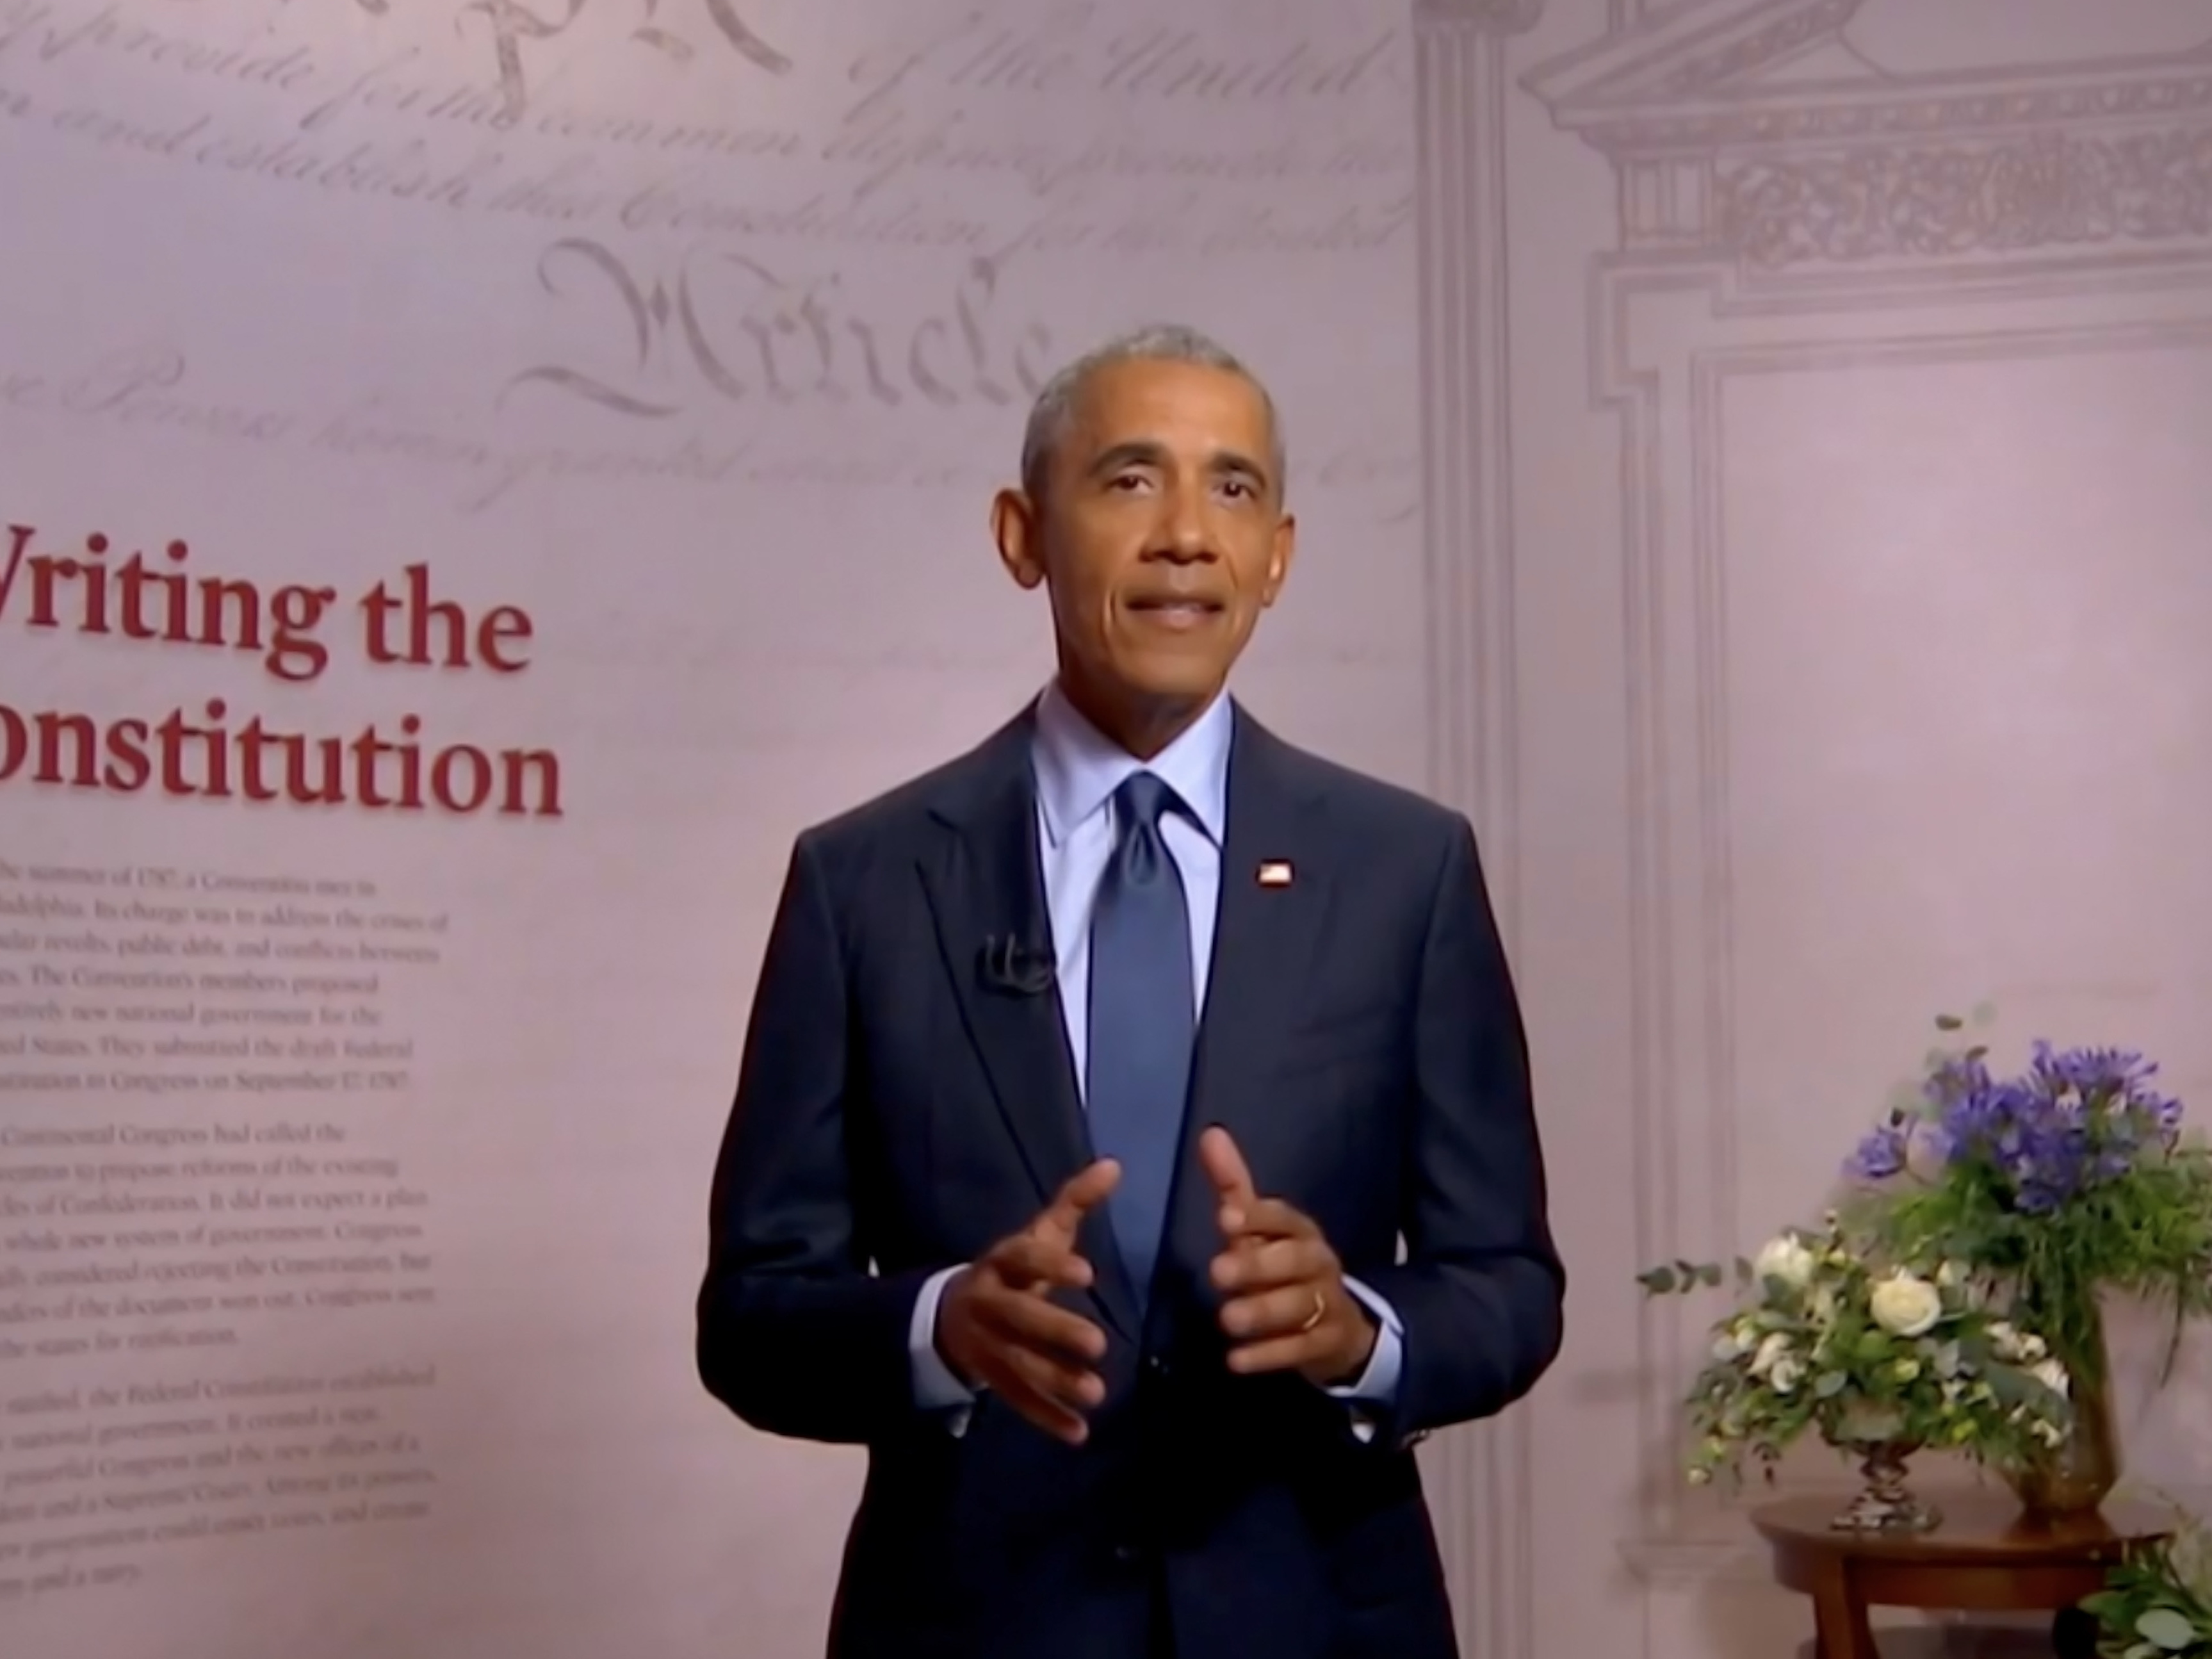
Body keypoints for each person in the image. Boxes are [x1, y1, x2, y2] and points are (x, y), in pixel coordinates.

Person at [695, 324, 1565, 1659]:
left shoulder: (1404, 870)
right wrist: (941, 1325)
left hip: (1319, 1617)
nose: (1183, 535)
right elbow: (754, 1316)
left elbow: (1506, 1280)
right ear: (1020, 533)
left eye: (1229, 489)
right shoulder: (863, 880)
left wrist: (1355, 1330)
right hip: (976, 1620)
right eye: (1127, 479)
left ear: (1277, 552)